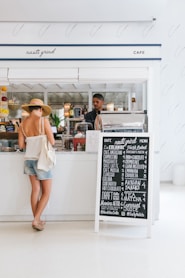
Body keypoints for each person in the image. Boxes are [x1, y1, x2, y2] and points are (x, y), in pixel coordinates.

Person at [18, 98, 55, 231]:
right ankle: (35, 220)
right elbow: (52, 141)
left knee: (35, 190)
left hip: (29, 160)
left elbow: (21, 145)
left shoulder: (22, 125)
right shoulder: (43, 121)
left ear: (29, 109)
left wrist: (31, 141)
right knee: (46, 192)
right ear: (40, 109)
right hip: (42, 160)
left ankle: (37, 220)